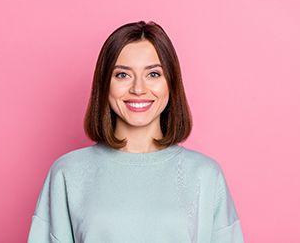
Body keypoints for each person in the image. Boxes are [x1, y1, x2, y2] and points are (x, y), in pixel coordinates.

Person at [27, 21, 244, 243]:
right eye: (122, 75)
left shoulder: (205, 175)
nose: (138, 89)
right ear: (105, 84)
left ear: (171, 83)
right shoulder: (68, 173)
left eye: (153, 74)